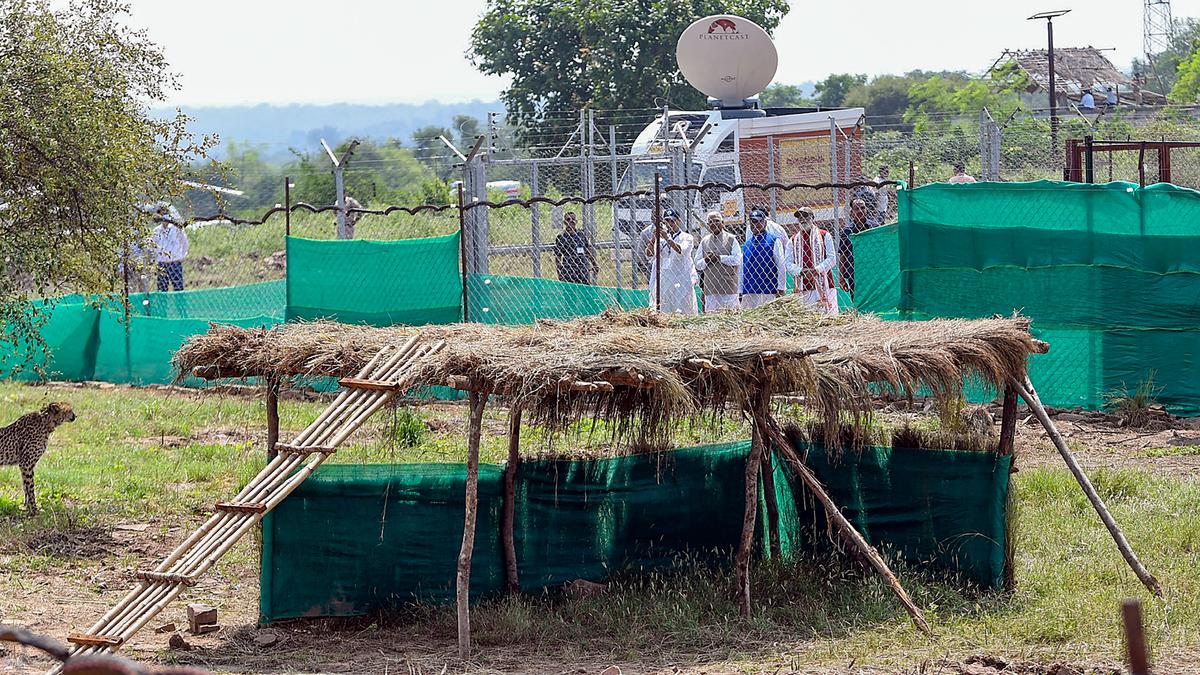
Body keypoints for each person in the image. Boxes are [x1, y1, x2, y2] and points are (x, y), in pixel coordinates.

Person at [646, 207, 697, 315]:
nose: (670, 223)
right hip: (665, 279)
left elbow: (680, 250)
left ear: (679, 221)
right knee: (665, 309)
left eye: (672, 221)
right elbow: (649, 255)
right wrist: (654, 238)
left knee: (683, 309)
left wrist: (667, 238)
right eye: (667, 221)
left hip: (681, 279)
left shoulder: (686, 237)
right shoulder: (661, 239)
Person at [787, 208, 838, 314]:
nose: (802, 219)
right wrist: (801, 271)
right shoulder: (793, 240)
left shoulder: (824, 235)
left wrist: (816, 270)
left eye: (806, 216)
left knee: (828, 318)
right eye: (800, 217)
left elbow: (832, 259)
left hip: (825, 284)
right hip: (803, 287)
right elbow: (788, 263)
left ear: (812, 218)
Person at [693, 211, 741, 312]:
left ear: (723, 223)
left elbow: (737, 260)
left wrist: (719, 258)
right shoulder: (704, 241)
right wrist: (707, 260)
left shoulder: (731, 239)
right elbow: (697, 264)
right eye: (710, 222)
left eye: (717, 221)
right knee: (712, 317)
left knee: (730, 315)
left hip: (728, 288)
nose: (714, 224)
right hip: (710, 289)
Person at [740, 208, 786, 310]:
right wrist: (740, 289)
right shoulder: (747, 244)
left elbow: (781, 265)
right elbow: (742, 269)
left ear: (764, 223)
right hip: (749, 290)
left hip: (768, 289)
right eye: (752, 222)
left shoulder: (773, 240)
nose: (755, 225)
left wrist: (781, 288)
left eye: (758, 221)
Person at [150, 203, 188, 292]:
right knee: (162, 289)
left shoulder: (176, 229)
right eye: (162, 214)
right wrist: (155, 258)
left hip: (175, 262)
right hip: (162, 264)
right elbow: (152, 246)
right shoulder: (156, 231)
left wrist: (182, 256)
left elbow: (184, 242)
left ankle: (180, 305)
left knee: (178, 288)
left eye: (166, 213)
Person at [840, 199, 872, 299]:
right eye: (856, 208)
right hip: (854, 273)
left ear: (866, 209)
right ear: (852, 212)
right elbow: (843, 255)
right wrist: (841, 278)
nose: (860, 211)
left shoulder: (875, 228)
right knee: (857, 300)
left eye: (862, 207)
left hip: (872, 271)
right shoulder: (847, 231)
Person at [554, 212, 598, 285]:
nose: (571, 221)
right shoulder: (561, 237)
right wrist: (559, 272)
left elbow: (588, 251)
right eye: (568, 219)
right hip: (569, 270)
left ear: (576, 221)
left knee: (585, 291)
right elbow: (558, 256)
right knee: (569, 293)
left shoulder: (581, 235)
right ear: (564, 222)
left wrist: (594, 264)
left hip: (582, 269)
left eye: (573, 219)